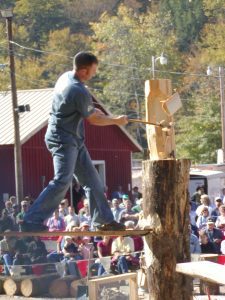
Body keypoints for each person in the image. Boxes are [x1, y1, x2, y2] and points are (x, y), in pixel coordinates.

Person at [22, 52, 128, 232]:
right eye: (93, 71)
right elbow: (94, 120)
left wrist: (95, 112)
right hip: (63, 139)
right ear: (85, 71)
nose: (94, 75)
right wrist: (116, 120)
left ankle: (103, 220)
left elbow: (83, 109)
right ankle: (31, 220)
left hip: (72, 138)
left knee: (93, 181)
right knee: (62, 180)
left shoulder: (65, 77)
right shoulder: (79, 90)